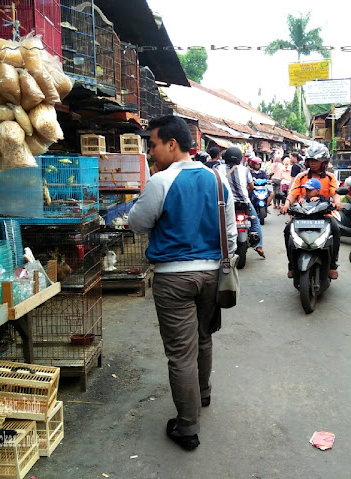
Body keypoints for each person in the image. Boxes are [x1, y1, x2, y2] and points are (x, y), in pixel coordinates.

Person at [128, 115, 237, 451]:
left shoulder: (160, 183)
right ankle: (202, 395)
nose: (151, 153)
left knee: (180, 353)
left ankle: (187, 427)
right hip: (211, 275)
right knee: (203, 338)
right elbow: (230, 235)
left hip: (173, 278)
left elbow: (137, 223)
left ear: (172, 145)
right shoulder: (217, 180)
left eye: (154, 145)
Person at [281, 142, 344, 279]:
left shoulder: (330, 177)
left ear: (324, 162)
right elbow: (293, 193)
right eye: (311, 160)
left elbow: (335, 193)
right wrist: (286, 204)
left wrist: (337, 203)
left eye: (317, 160)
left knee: (336, 231)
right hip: (302, 215)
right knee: (287, 232)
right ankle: (291, 265)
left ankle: (332, 266)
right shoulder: (301, 177)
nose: (313, 163)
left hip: (324, 215)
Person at [216, 147, 265, 258]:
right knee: (255, 222)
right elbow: (251, 186)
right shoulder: (245, 170)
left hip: (225, 203)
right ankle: (259, 246)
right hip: (244, 202)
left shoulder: (218, 168)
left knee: (217, 222)